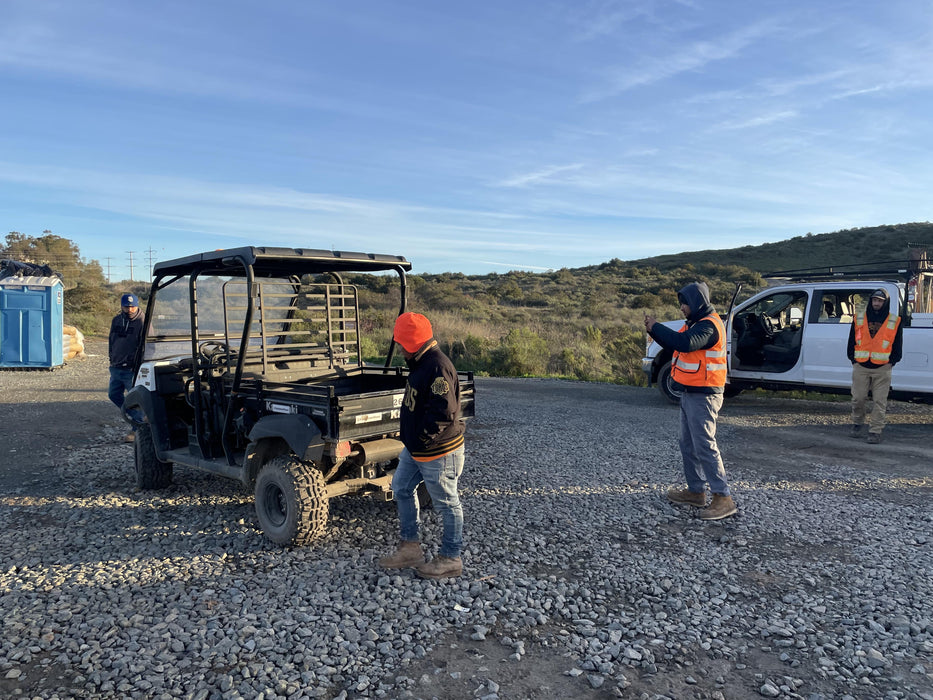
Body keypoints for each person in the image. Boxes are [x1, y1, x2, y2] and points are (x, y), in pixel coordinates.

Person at [379, 312, 467, 579]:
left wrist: (421, 440)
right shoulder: (420, 362)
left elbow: (444, 414)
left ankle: (451, 558)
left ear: (411, 343)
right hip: (416, 450)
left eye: (402, 343)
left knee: (447, 504)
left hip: (438, 452)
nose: (400, 349)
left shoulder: (437, 366)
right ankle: (410, 548)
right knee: (401, 488)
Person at [644, 282, 737, 520]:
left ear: (696, 302)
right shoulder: (696, 323)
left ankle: (723, 497)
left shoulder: (709, 326)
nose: (682, 308)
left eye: (684, 303)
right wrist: (656, 331)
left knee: (704, 444)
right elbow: (677, 343)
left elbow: (684, 343)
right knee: (688, 444)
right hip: (691, 391)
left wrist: (656, 327)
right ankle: (696, 492)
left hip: (705, 395)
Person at [847, 288, 903, 444]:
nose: (877, 303)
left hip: (882, 368)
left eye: (880, 301)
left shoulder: (894, 320)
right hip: (861, 366)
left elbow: (898, 344)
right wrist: (853, 359)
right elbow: (852, 340)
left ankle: (875, 431)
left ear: (885, 303)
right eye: (874, 300)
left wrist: (893, 361)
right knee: (858, 398)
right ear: (871, 301)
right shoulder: (859, 318)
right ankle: (857, 423)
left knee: (879, 401)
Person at [108, 293, 145, 442]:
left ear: (137, 305)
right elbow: (112, 340)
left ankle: (138, 428)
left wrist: (139, 364)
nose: (129, 309)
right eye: (126, 306)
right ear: (122, 306)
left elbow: (148, 346)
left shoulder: (143, 322)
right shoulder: (116, 320)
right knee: (113, 395)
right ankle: (139, 419)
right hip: (116, 366)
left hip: (132, 369)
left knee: (134, 398)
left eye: (132, 306)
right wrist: (111, 357)